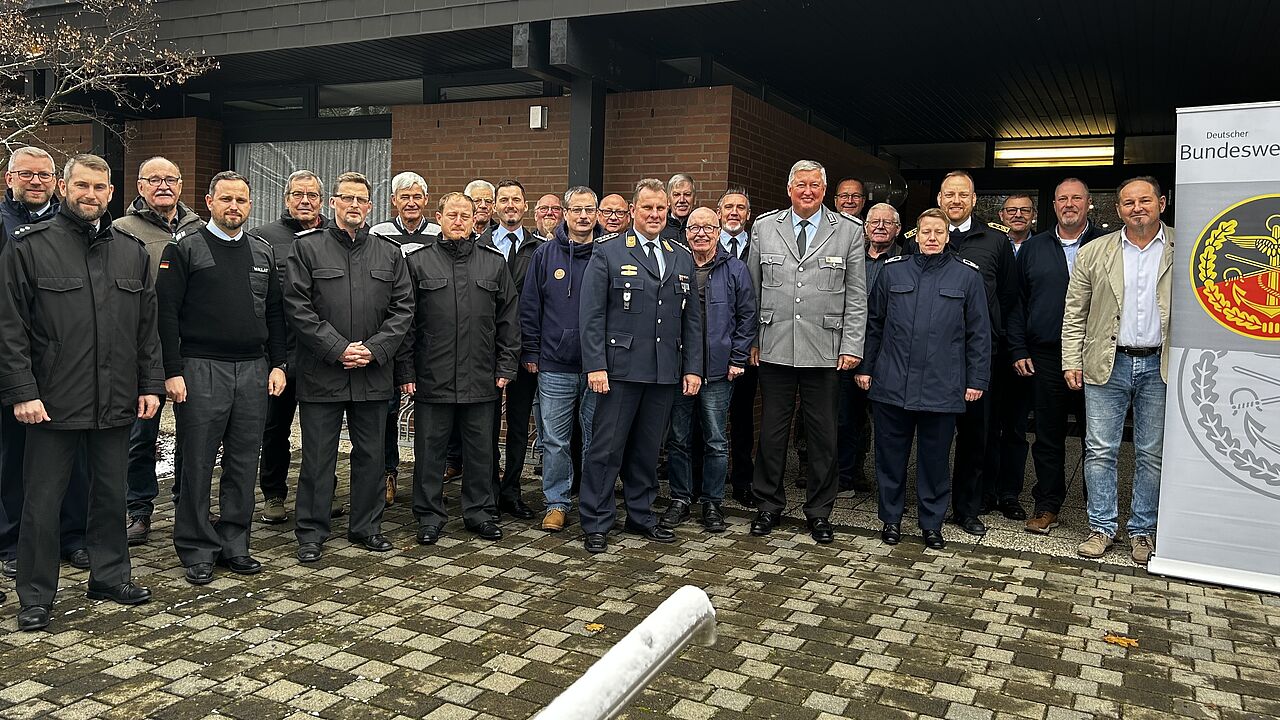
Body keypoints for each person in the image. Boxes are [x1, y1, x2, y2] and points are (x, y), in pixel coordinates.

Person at [0, 153, 164, 631]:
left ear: (111, 193)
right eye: (81, 186)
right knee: (42, 503)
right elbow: (9, 327)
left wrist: (150, 384)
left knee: (110, 495)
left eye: (99, 187)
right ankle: (35, 595)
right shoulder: (29, 247)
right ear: (64, 189)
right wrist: (22, 391)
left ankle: (110, 577)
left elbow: (146, 329)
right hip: (51, 403)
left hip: (116, 399)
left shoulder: (131, 251)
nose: (90, 195)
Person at [157, 171, 288, 584]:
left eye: (242, 200)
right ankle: (197, 547)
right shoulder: (184, 248)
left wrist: (279, 364)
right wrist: (172, 371)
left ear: (250, 205)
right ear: (210, 201)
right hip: (200, 367)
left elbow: (275, 313)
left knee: (244, 461)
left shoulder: (262, 251)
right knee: (196, 461)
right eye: (226, 199)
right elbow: (165, 313)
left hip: (252, 369)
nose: (234, 207)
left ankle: (234, 543)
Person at [283, 171, 413, 563]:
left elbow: (403, 309)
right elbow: (297, 306)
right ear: (333, 203)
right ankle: (311, 532)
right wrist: (338, 348)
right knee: (318, 458)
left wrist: (373, 349)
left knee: (371, 456)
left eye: (361, 200)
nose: (354, 205)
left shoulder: (389, 253)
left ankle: (367, 527)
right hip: (322, 372)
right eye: (347, 198)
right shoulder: (307, 248)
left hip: (372, 373)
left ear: (370, 206)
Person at [578, 178, 702, 554]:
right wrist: (595, 366)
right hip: (618, 370)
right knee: (606, 449)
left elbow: (692, 320)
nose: (655, 214)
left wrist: (692, 368)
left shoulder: (680, 255)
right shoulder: (609, 251)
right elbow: (592, 315)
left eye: (661, 208)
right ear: (633, 210)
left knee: (648, 450)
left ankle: (641, 514)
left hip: (663, 370)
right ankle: (596, 520)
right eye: (647, 207)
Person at [747, 160, 867, 544]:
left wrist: (852, 345)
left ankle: (819, 512)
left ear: (824, 190)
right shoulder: (764, 227)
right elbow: (752, 291)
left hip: (826, 350)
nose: (808, 191)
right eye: (801, 184)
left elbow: (857, 296)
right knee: (772, 433)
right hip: (775, 346)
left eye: (815, 185)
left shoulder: (848, 231)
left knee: (823, 436)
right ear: (789, 188)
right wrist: (751, 341)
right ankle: (768, 506)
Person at [856, 208, 991, 550]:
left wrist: (977, 380)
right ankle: (890, 519)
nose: (932, 237)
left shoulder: (967, 276)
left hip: (941, 386)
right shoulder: (892, 271)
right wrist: (866, 368)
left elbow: (979, 334)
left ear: (948, 236)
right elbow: (874, 324)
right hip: (892, 382)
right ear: (916, 235)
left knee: (934, 461)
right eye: (926, 231)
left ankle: (932, 523)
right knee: (890, 458)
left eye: (939, 232)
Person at [396, 192, 519, 544]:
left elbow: (509, 320)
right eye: (453, 215)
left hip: (481, 377)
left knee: (481, 451)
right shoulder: (417, 263)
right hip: (431, 377)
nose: (459, 221)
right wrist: (406, 371)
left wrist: (506, 365)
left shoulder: (493, 263)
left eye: (466, 215)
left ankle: (480, 513)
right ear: (439, 217)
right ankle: (428, 516)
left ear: (475, 219)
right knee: (430, 452)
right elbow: (405, 322)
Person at [1062, 176, 1172, 565]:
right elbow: (1075, 312)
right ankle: (1101, 528)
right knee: (1099, 450)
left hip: (1161, 365)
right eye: (1128, 203)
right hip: (1108, 363)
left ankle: (1143, 530)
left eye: (1145, 200)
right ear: (1118, 209)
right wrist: (1071, 359)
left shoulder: (1185, 247)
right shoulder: (1095, 252)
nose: (1137, 208)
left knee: (1151, 452)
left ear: (1161, 203)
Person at [908, 171, 1016, 537]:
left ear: (973, 199)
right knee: (932, 438)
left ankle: (967, 509)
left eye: (963, 195)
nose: (956, 200)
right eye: (949, 194)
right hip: (929, 359)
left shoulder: (995, 240)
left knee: (975, 436)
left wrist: (1003, 344)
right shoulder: (917, 239)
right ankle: (927, 505)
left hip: (976, 356)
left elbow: (1009, 297)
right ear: (939, 198)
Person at [0, 147, 89, 581]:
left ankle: (72, 536)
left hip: (67, 367)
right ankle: (14, 542)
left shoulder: (70, 225)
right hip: (15, 361)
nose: (36, 182)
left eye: (44, 175)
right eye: (27, 174)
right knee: (14, 458)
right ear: (9, 178)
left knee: (73, 457)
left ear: (57, 182)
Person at [115, 156, 204, 545]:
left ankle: (188, 505)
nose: (163, 186)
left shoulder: (199, 228)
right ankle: (139, 510)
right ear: (140, 186)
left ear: (181, 185)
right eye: (154, 179)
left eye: (171, 179)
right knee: (142, 435)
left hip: (191, 350)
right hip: (143, 350)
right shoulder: (122, 230)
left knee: (193, 435)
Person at [1009, 179, 1104, 534]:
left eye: (1076, 198)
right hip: (1046, 355)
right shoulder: (1034, 247)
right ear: (1053, 206)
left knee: (1098, 437)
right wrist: (1018, 347)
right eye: (1062, 198)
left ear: (1089, 203)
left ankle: (1099, 511)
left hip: (1096, 352)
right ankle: (1047, 504)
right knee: (1048, 436)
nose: (1069, 204)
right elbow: (1017, 301)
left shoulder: (1106, 244)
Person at [662, 207, 755, 533]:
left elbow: (747, 317)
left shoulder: (735, 269)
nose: (700, 233)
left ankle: (712, 502)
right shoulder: (675, 264)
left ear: (718, 232)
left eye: (707, 228)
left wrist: (737, 358)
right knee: (678, 438)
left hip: (717, 372)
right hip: (679, 369)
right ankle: (680, 498)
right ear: (685, 232)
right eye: (694, 228)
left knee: (715, 439)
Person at [521, 186, 602, 532]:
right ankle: (556, 502)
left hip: (599, 366)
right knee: (555, 439)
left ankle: (592, 502)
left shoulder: (609, 253)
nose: (583, 216)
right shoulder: (544, 255)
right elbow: (530, 306)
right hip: (554, 363)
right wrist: (531, 350)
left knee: (595, 438)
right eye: (576, 209)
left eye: (589, 209)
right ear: (565, 214)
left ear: (596, 214)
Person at [252, 170, 331, 524]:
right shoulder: (264, 238)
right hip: (280, 353)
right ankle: (273, 494)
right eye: (297, 194)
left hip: (323, 353)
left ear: (322, 201)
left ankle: (321, 496)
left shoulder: (335, 235)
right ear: (286, 199)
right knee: (275, 428)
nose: (305, 201)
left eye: (312, 195)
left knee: (321, 432)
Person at [370, 171, 441, 506]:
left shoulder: (439, 233)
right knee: (387, 408)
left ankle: (433, 477)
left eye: (416, 197)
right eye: (404, 197)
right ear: (393, 201)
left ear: (425, 200)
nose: (411, 203)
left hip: (428, 335)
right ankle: (388, 473)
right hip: (390, 331)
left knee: (432, 410)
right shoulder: (378, 233)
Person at [480, 179, 543, 520]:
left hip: (524, 349)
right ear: (494, 206)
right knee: (485, 424)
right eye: (503, 199)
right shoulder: (479, 244)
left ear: (525, 206)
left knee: (519, 422)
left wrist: (532, 348)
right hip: (485, 350)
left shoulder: (541, 249)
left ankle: (511, 490)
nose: (510, 205)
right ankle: (487, 490)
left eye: (516, 199)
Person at [838, 202, 903, 496]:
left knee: (888, 423)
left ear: (897, 229)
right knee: (845, 417)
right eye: (874, 222)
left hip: (888, 353)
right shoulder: (852, 258)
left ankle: (887, 486)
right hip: (849, 349)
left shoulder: (905, 260)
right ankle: (846, 476)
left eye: (887, 223)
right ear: (865, 228)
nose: (880, 227)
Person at [982, 193, 1038, 520]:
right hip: (990, 347)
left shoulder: (1041, 247)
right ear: (1002, 215)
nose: (1018, 215)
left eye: (1024, 210)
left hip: (1023, 351)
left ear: (1033, 215)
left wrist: (1020, 347)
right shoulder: (992, 244)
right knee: (986, 426)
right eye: (1012, 210)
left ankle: (1009, 494)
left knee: (1015, 428)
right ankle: (986, 492)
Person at [718, 189, 759, 507]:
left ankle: (743, 481)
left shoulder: (759, 247)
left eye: (740, 208)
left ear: (748, 214)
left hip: (747, 349)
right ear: (719, 212)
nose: (734, 212)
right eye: (729, 207)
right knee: (706, 418)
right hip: (711, 348)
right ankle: (706, 482)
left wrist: (752, 343)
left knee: (742, 417)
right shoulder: (703, 242)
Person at [660, 173, 696, 244]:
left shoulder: (700, 227)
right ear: (668, 200)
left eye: (687, 194)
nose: (682, 200)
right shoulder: (659, 226)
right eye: (676, 195)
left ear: (694, 199)